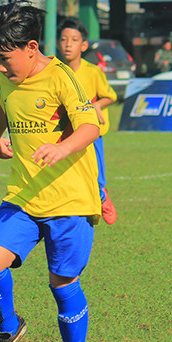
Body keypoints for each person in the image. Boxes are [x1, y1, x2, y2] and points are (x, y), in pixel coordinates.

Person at [0, 0, 101, 342]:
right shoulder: (8, 76)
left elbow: (91, 126)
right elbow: (5, 103)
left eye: (5, 58)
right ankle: (8, 327)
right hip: (24, 194)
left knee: (62, 284)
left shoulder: (62, 78)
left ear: (31, 48)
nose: (0, 68)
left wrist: (63, 149)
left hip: (69, 200)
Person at [57, 16, 118, 225]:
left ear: (83, 46)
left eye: (74, 40)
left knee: (96, 176)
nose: (68, 44)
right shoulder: (55, 72)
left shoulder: (93, 72)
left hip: (92, 133)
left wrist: (97, 106)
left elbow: (110, 96)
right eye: (63, 39)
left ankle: (102, 197)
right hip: (66, 133)